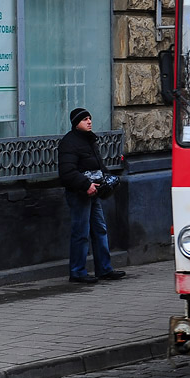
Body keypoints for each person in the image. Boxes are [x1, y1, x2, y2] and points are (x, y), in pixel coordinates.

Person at [58, 108, 126, 284]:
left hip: (94, 191)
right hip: (79, 193)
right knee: (81, 232)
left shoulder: (90, 140)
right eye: (84, 120)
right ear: (76, 123)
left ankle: (104, 269)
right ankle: (77, 272)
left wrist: (107, 178)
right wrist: (85, 185)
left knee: (99, 229)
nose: (89, 122)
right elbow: (67, 172)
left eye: (90, 118)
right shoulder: (69, 142)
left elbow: (98, 165)